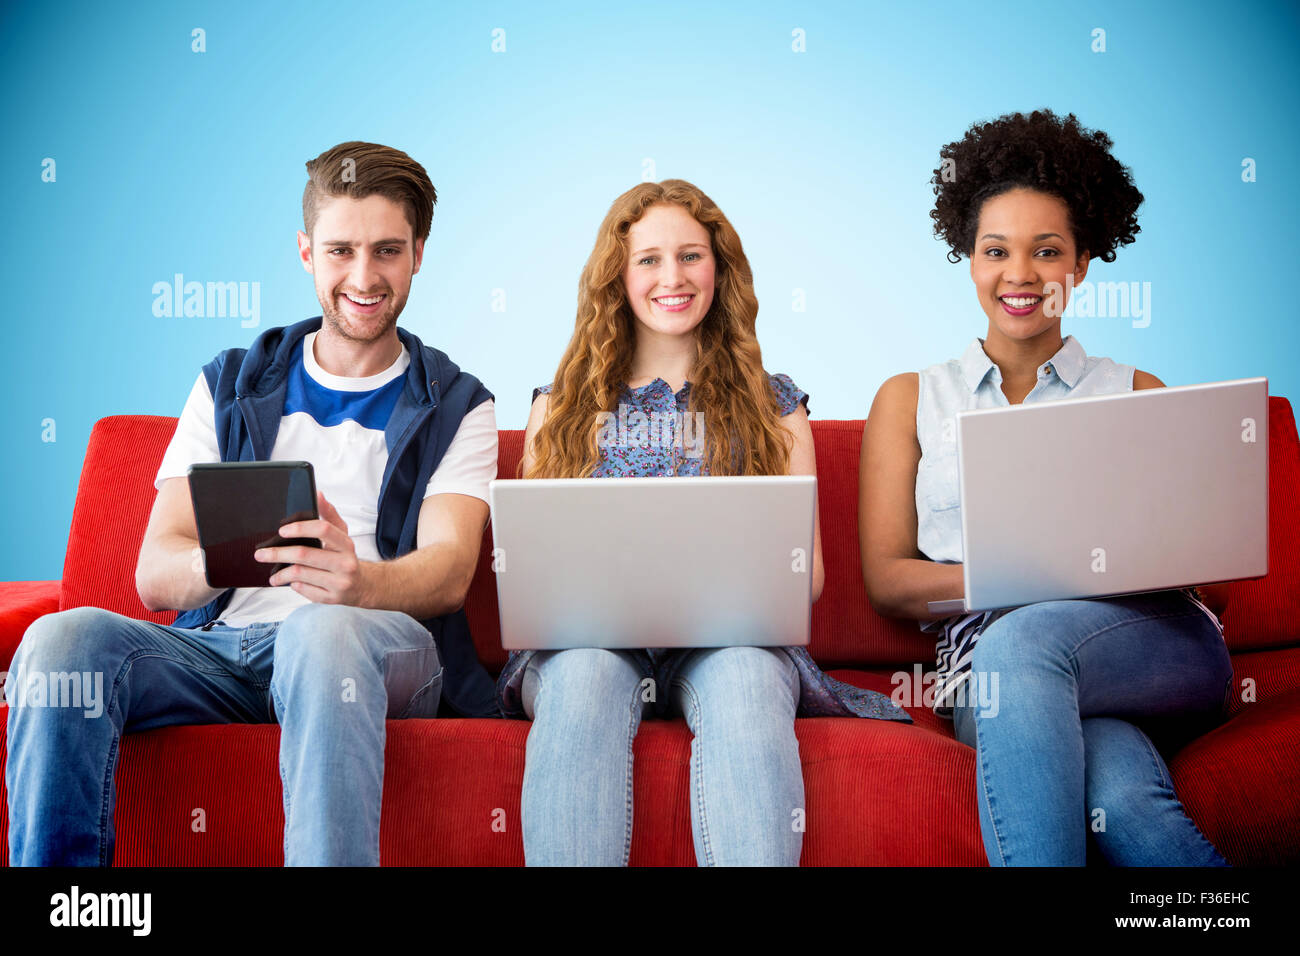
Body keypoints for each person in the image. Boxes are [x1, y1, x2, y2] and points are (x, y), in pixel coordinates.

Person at [5, 141, 499, 866]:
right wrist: (238, 555)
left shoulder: (458, 402)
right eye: (340, 251)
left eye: (387, 251)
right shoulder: (229, 384)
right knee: (59, 644)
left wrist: (359, 585)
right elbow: (155, 574)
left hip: (376, 650)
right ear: (305, 251)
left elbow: (451, 570)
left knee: (319, 634)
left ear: (418, 253)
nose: (363, 277)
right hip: (225, 652)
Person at [497, 179, 911, 867]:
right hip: (587, 647)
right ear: (618, 277)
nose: (673, 277)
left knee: (747, 679)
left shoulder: (775, 406)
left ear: (719, 268)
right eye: (650, 259)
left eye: (691, 256)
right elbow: (532, 565)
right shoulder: (559, 405)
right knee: (584, 680)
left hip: (731, 643)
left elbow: (803, 577)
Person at [858, 110, 1233, 866]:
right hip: (991, 675)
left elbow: (1211, 584)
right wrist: (1025, 582)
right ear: (969, 260)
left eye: (1047, 251)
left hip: (1150, 649)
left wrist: (1087, 578)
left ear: (1083, 264)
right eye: (996, 251)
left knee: (1024, 637)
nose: (1020, 274)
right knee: (1123, 800)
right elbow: (890, 581)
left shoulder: (1137, 391)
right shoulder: (912, 397)